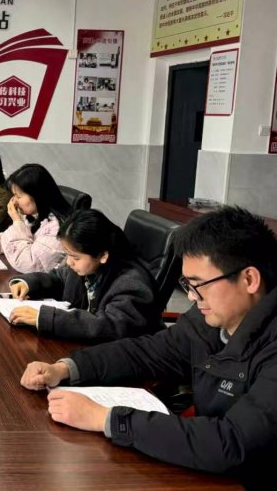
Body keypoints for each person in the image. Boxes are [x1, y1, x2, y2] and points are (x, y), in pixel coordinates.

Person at [20, 207, 277, 490]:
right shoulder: (210, 319)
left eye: (199, 285)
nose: (192, 297)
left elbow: (232, 442)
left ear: (249, 280)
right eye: (187, 285)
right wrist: (67, 368)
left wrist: (105, 418)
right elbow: (147, 352)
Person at [6, 209, 161, 341]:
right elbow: (60, 277)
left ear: (103, 255)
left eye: (75, 257)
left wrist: (46, 318)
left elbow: (109, 325)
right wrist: (29, 283)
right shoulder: (90, 267)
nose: (69, 262)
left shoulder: (132, 284)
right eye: (67, 254)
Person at [0, 164, 70, 273]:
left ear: (37, 196)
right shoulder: (37, 216)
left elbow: (29, 263)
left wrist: (17, 221)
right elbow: (13, 241)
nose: (14, 201)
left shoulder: (57, 229)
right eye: (14, 195)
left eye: (18, 196)